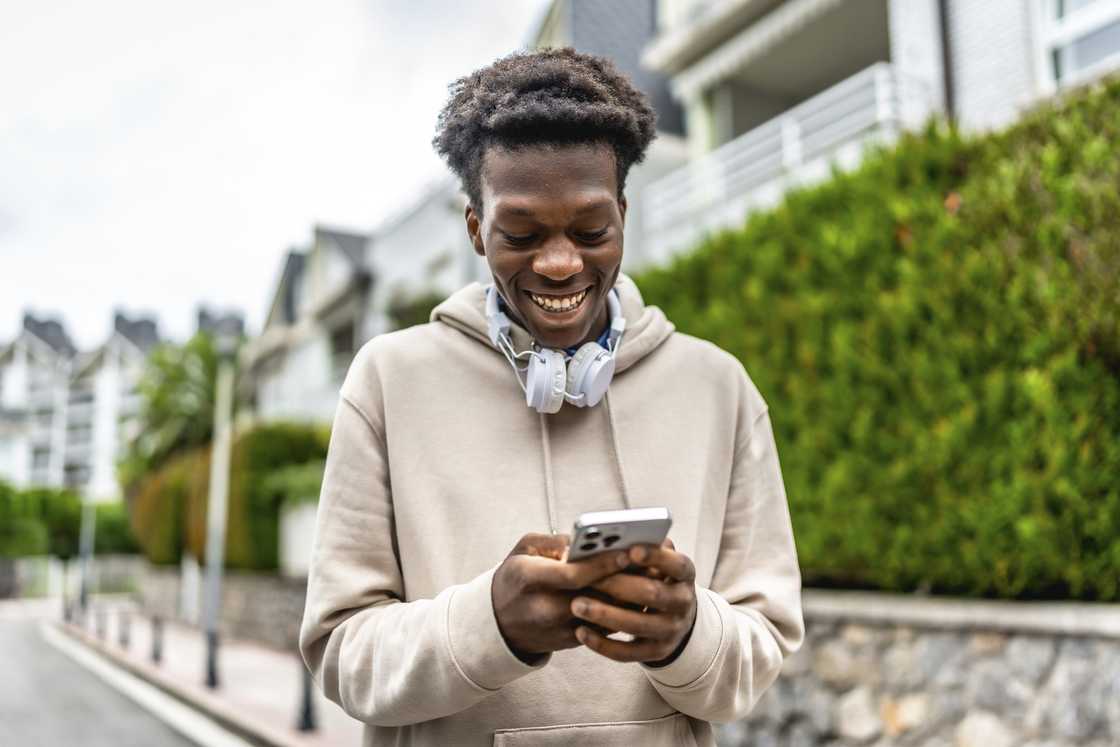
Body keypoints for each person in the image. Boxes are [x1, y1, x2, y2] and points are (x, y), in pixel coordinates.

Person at [299, 48, 804, 746]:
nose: (561, 262)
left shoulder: (720, 390)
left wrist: (688, 632)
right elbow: (340, 653)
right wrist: (490, 624)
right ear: (475, 227)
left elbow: (764, 647)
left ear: (623, 215)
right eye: (523, 233)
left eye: (591, 230)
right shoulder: (387, 381)